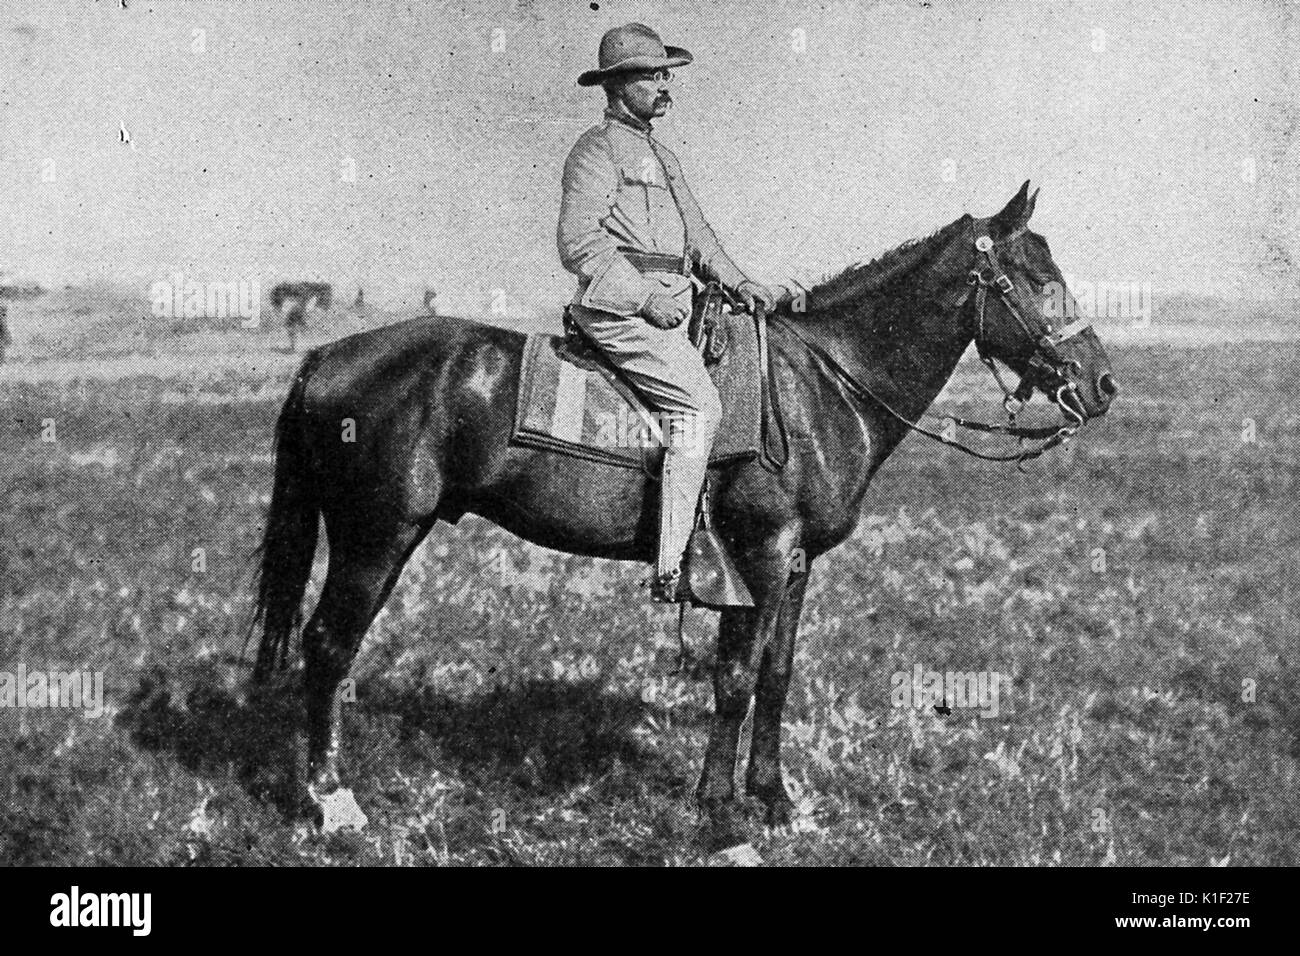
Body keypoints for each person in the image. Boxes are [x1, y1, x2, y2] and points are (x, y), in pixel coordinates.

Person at [558, 23, 776, 602]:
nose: (664, 86)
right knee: (699, 406)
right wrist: (642, 297)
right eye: (652, 76)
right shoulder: (595, 150)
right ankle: (673, 566)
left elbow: (699, 239)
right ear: (617, 84)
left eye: (665, 75)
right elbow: (578, 242)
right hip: (621, 310)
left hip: (673, 309)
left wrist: (740, 281)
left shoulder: (664, 156)